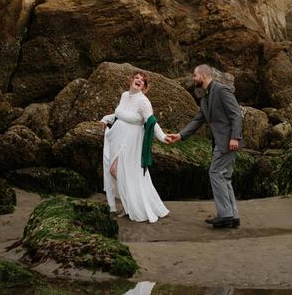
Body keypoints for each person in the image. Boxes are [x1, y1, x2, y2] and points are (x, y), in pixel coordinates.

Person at [165, 64, 244, 228]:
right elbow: (198, 120)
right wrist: (180, 135)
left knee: (215, 172)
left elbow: (236, 114)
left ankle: (225, 215)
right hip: (221, 142)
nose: (193, 79)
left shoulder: (221, 90)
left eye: (195, 75)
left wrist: (235, 137)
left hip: (228, 141)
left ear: (203, 75)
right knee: (225, 177)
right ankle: (233, 216)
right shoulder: (205, 97)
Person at [100, 71, 171, 223]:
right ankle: (128, 205)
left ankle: (135, 204)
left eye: (142, 80)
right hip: (117, 139)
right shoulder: (125, 95)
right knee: (118, 171)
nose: (139, 80)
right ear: (131, 80)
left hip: (131, 142)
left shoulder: (143, 102)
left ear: (144, 87)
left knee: (116, 170)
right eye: (137, 77)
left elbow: (151, 121)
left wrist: (163, 136)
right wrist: (108, 118)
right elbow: (121, 113)